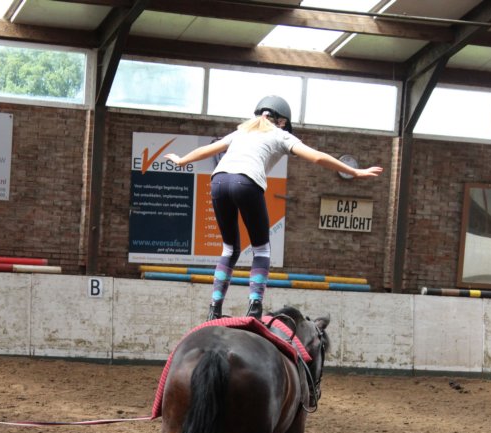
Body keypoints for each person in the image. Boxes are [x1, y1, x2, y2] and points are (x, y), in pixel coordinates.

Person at [164, 95, 383, 320]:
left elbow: (208, 150)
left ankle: (214, 307)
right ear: (282, 121)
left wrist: (181, 161)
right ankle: (255, 305)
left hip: (218, 182)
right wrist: (354, 171)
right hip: (246, 182)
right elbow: (317, 157)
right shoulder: (281, 135)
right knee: (261, 249)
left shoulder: (242, 132)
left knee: (229, 249)